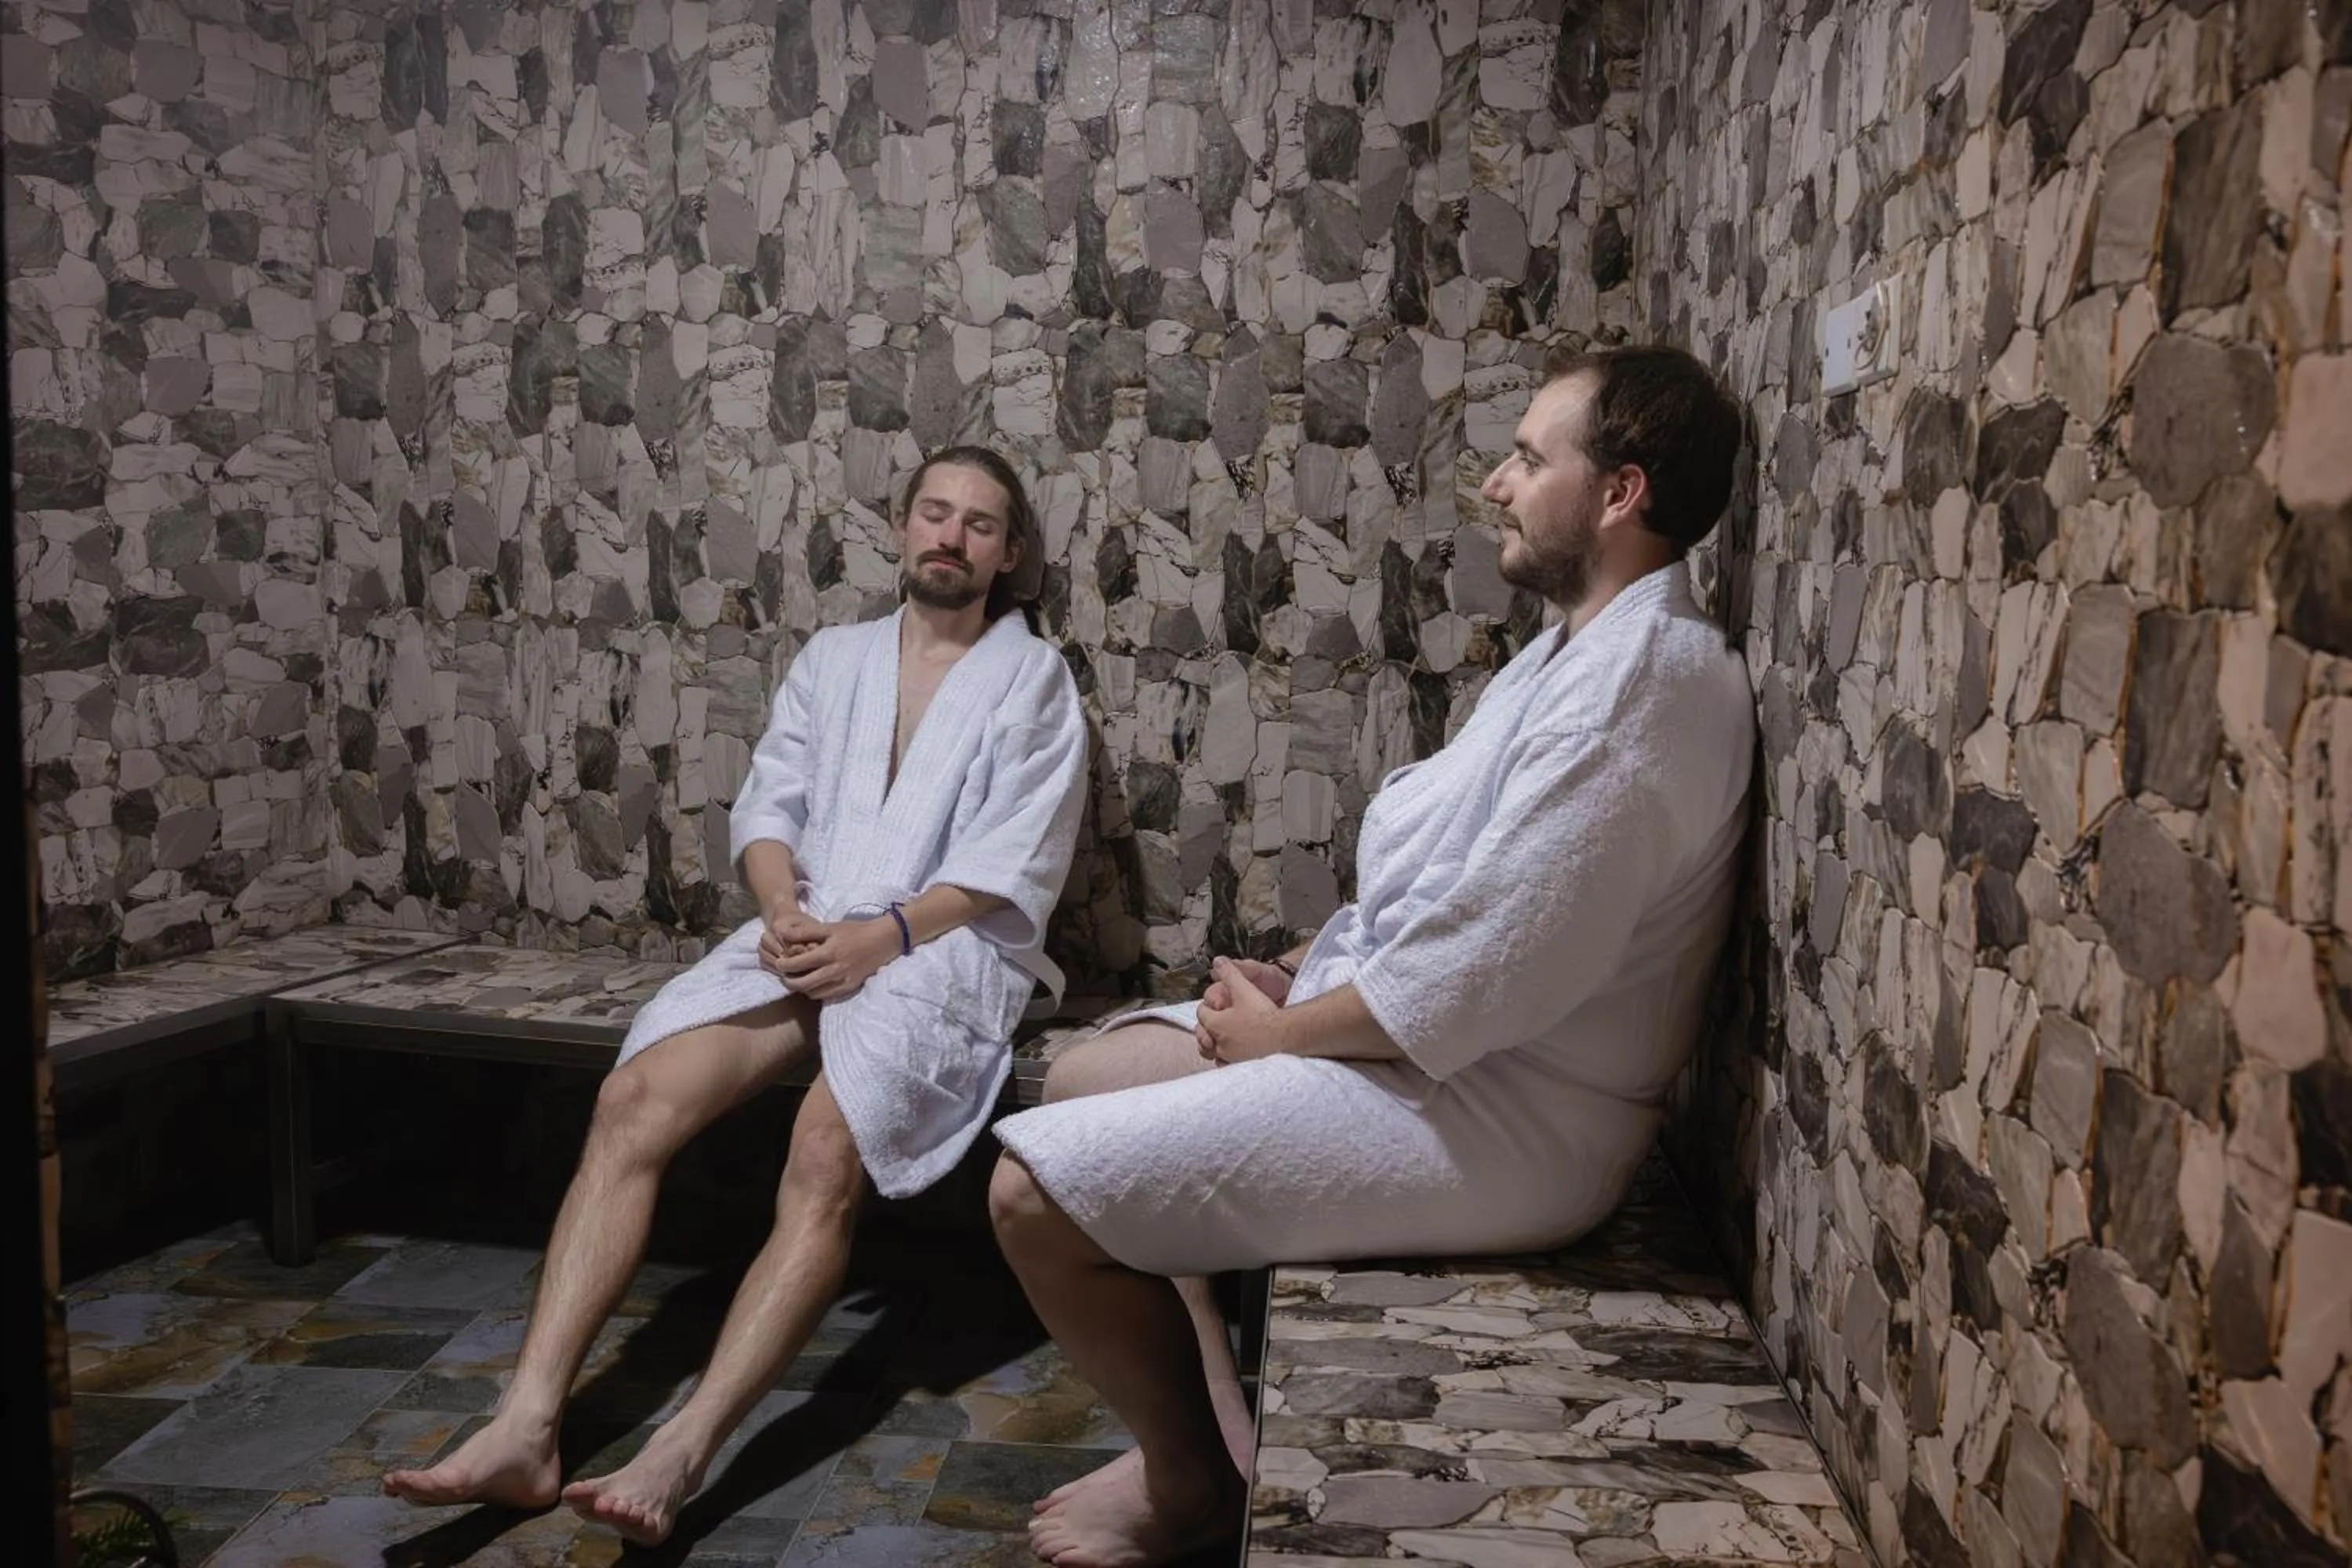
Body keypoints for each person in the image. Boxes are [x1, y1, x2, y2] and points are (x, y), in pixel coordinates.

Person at [987, 345, 1757, 1568]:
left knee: (1030, 1195)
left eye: (1526, 457)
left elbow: (1486, 974)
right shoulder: (1580, 652)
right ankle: (1208, 1415)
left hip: (1518, 1117)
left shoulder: (1641, 690)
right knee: (1080, 1082)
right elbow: (1464, 895)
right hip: (1446, 1057)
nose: (1497, 485)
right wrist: (1309, 975)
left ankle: (1187, 1487)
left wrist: (1281, 1035)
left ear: (1619, 493)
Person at [383, 447, 1091, 1548]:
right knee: (630, 1105)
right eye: (935, 514)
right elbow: (771, 807)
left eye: (982, 525)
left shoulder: (1032, 680)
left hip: (945, 948)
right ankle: (525, 1426)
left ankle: (684, 1445)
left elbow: (1017, 861)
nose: (952, 538)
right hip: (808, 927)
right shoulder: (836, 658)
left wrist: (882, 938)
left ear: (1010, 554)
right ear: (902, 526)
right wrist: (783, 913)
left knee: (819, 1157)